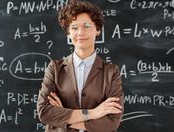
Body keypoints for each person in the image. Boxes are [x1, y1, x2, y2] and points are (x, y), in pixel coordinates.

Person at [37, 0, 124, 132]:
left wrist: (63, 118)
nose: (80, 32)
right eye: (74, 27)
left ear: (97, 30)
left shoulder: (111, 72)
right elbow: (45, 112)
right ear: (68, 33)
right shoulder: (54, 68)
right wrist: (93, 113)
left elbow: (111, 122)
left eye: (87, 26)